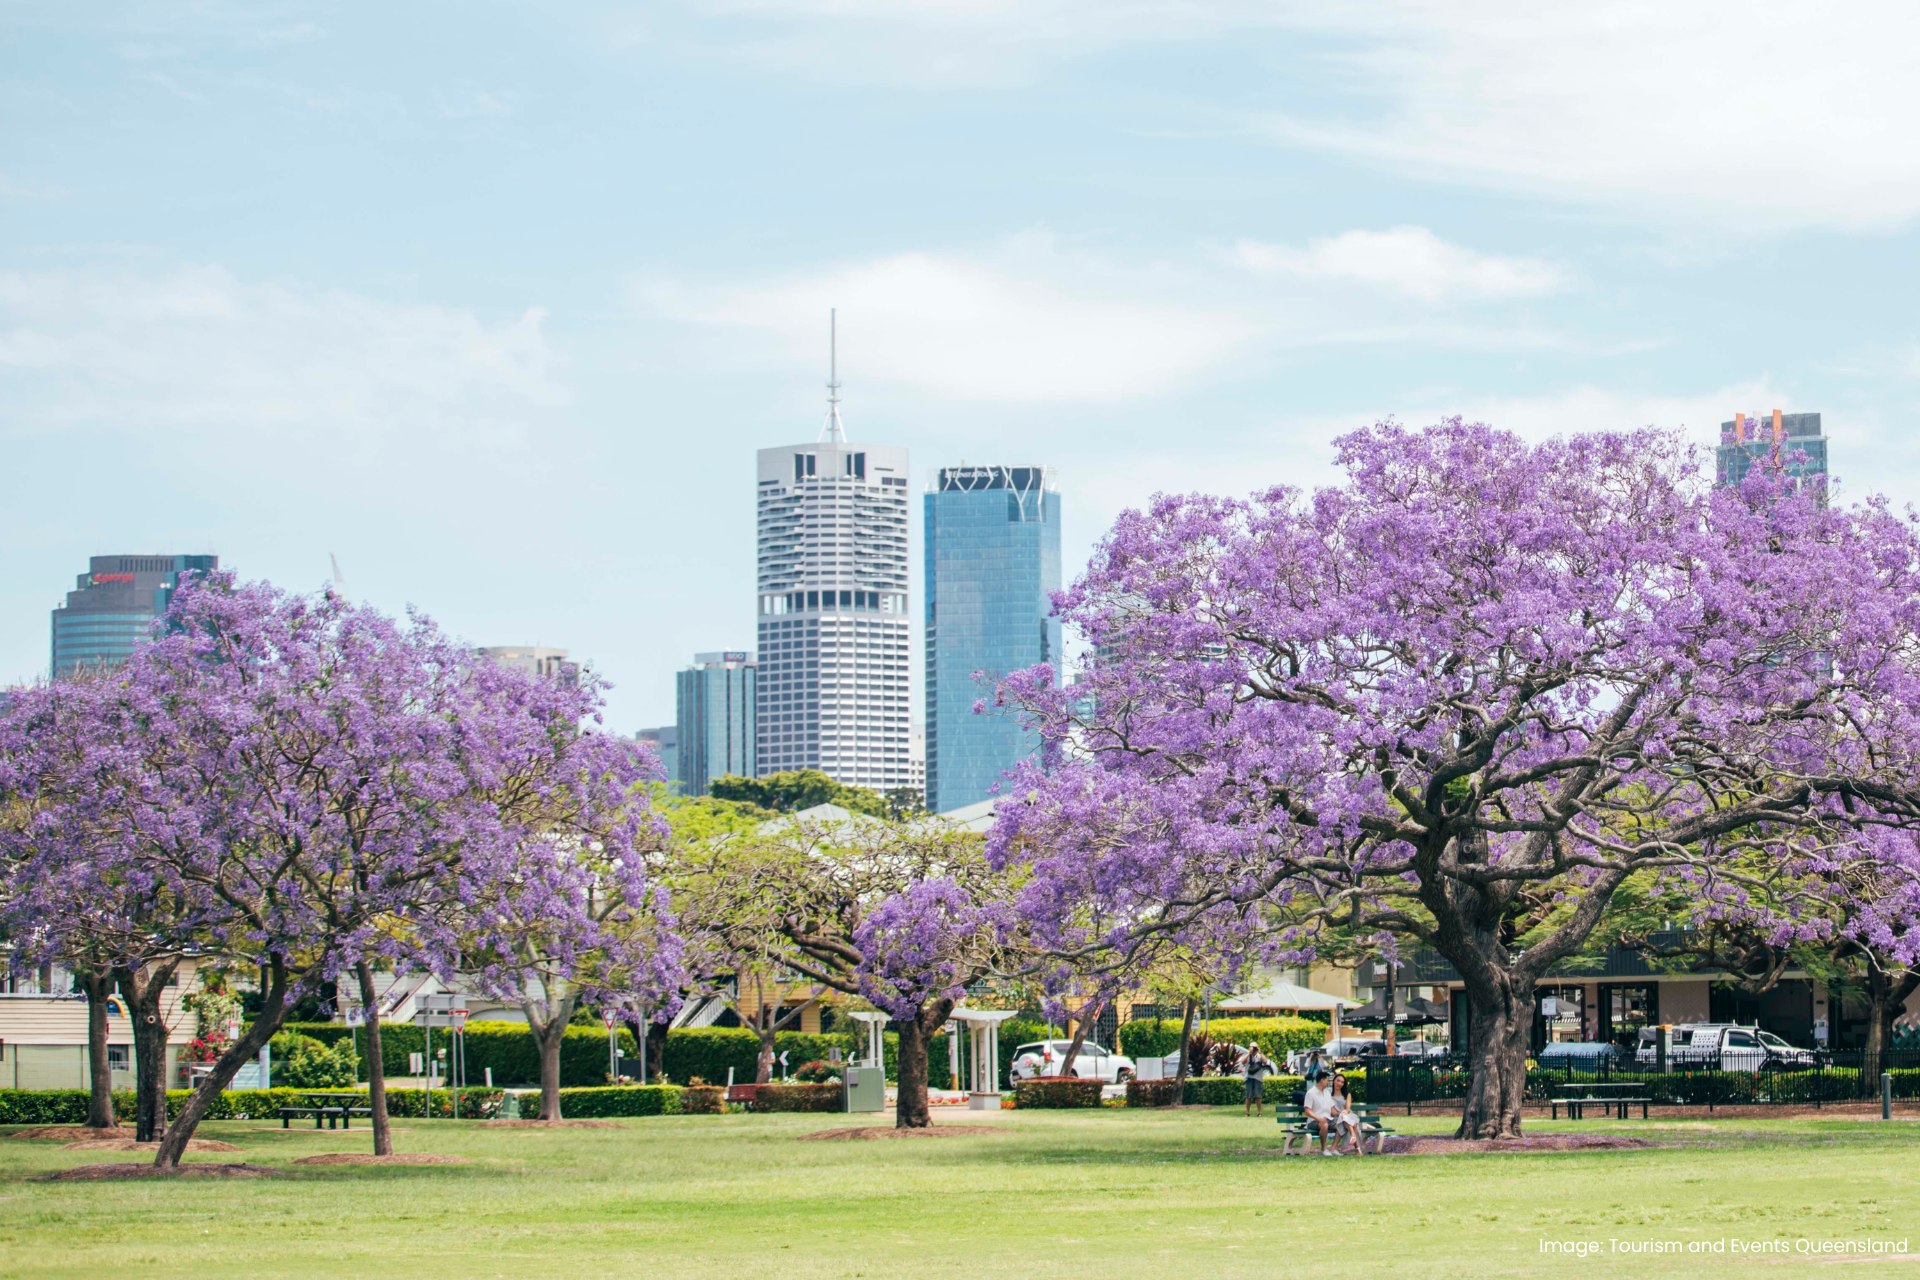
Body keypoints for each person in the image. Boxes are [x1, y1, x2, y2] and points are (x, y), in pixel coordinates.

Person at [1301, 1069, 1338, 1154]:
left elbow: (1332, 1110)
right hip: (1313, 1121)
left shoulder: (1327, 1092)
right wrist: (1319, 1118)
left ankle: (1333, 1148)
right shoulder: (1310, 1093)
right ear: (1321, 1080)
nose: (1328, 1082)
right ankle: (1323, 1149)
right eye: (1327, 1080)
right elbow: (1307, 1111)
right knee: (1324, 1124)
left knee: (1341, 1123)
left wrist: (1340, 1114)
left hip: (1328, 1119)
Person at [1329, 1072, 1364, 1154]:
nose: (1340, 1083)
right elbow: (1332, 1111)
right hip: (1336, 1117)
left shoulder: (1347, 1094)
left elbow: (1348, 1109)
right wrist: (1340, 1114)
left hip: (1348, 1115)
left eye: (1342, 1082)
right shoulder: (1328, 1094)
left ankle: (1334, 1148)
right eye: (1338, 1081)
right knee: (1351, 1124)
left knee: (1345, 1118)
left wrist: (1344, 1112)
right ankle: (1357, 1148)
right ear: (1334, 1081)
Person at [1242, 1044, 1273, 1117]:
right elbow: (1242, 1062)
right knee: (1248, 1096)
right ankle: (1247, 1112)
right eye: (1251, 1047)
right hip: (1248, 1078)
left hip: (1258, 1078)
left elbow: (1265, 1062)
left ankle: (1259, 1112)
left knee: (1258, 1096)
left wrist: (1260, 1052)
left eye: (1254, 1048)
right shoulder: (1247, 1055)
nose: (1253, 1049)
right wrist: (1249, 1053)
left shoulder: (1259, 1056)